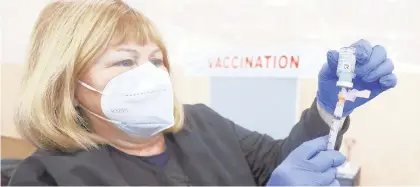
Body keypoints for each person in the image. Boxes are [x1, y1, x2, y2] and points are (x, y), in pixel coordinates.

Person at [8, 0, 397, 186]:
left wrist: (330, 108)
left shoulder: (202, 123)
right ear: (67, 83)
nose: (149, 76)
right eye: (125, 62)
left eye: (155, 60)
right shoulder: (46, 177)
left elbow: (280, 162)